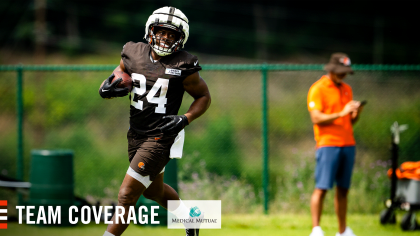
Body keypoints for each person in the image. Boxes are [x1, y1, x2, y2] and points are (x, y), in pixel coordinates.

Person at [98, 6, 211, 236]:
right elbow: (119, 74)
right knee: (153, 191)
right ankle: (190, 218)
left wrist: (185, 118)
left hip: (162, 135)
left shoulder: (184, 65)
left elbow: (204, 97)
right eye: (161, 31)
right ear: (151, 30)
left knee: (127, 194)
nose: (166, 37)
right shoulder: (132, 52)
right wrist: (106, 87)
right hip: (136, 132)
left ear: (181, 39)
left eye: (172, 34)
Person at [307, 53, 364, 236]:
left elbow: (349, 121)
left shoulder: (347, 89)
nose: (343, 75)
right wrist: (342, 112)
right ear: (331, 69)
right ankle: (316, 230)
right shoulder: (318, 88)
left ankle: (343, 231)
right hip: (327, 144)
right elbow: (316, 117)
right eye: (340, 72)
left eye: (346, 72)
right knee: (322, 187)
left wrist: (355, 113)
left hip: (348, 144)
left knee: (343, 190)